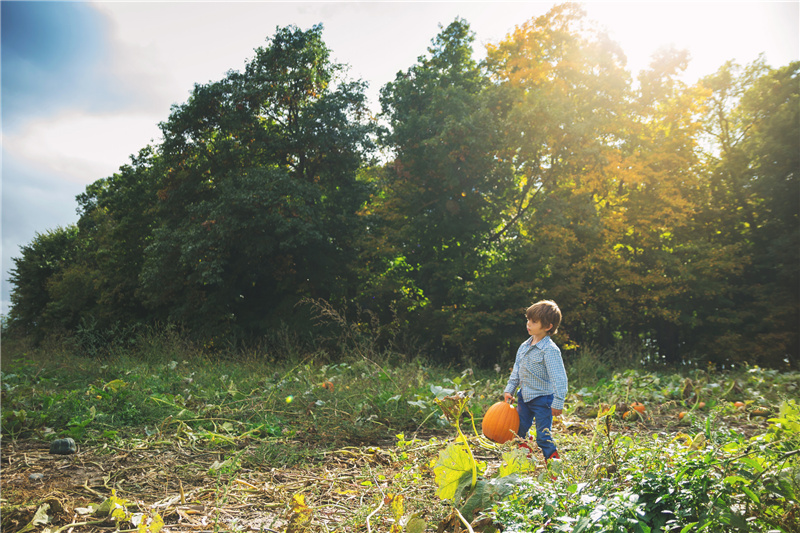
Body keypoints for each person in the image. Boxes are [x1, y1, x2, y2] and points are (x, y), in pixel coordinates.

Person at [503, 300, 567, 461]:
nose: (528, 324)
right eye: (528, 320)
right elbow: (517, 370)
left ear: (548, 326)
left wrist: (558, 402)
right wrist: (509, 389)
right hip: (524, 398)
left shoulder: (550, 350)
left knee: (543, 437)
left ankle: (554, 466)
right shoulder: (524, 346)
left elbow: (559, 378)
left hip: (543, 400)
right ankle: (525, 459)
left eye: (534, 322)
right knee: (518, 432)